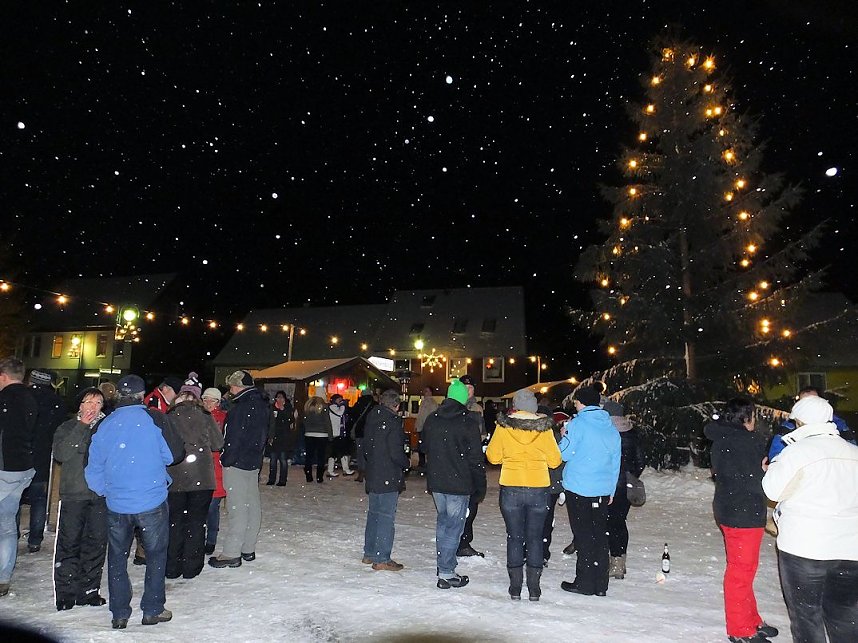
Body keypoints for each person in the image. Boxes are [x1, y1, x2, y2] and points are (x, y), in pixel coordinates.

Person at [762, 395, 858, 643]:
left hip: (805, 549)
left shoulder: (796, 452)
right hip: (850, 549)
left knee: (807, 617)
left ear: (800, 422)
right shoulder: (853, 452)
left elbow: (773, 490)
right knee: (844, 617)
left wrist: (774, 466)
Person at [84, 374, 175, 629]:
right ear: (141, 395)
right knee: (156, 555)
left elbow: (93, 467)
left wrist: (107, 490)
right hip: (151, 500)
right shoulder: (153, 419)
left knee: (117, 557)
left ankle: (120, 613)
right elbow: (170, 455)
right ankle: (153, 609)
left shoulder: (105, 424)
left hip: (118, 503)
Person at [704, 398, 778, 643]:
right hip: (742, 513)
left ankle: (751, 619)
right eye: (753, 416)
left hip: (730, 509)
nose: (755, 421)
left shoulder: (722, 437)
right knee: (741, 572)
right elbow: (753, 480)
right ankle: (739, 629)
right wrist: (766, 472)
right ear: (746, 418)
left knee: (745, 569)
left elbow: (729, 473)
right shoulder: (747, 441)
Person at [486, 389, 561, 601]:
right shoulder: (544, 429)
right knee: (535, 538)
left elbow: (492, 457)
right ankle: (534, 588)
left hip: (511, 487)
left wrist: (509, 456)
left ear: (516, 406)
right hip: (538, 488)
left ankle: (515, 587)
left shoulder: (504, 426)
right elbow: (555, 461)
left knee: (515, 537)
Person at [423, 379, 486, 590]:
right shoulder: (468, 422)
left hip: (438, 482)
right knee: (453, 528)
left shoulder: (433, 419)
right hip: (458, 483)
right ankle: (447, 572)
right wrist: (479, 485)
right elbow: (476, 458)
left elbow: (424, 447)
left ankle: (444, 564)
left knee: (444, 524)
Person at [558, 386, 620, 597]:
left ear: (582, 402)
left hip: (580, 487)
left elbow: (563, 454)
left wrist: (564, 435)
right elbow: (615, 462)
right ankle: (601, 583)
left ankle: (584, 582)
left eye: (576, 401)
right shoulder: (610, 427)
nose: (574, 404)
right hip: (602, 489)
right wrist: (611, 489)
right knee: (600, 535)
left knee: (583, 535)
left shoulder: (577, 424)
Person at [52, 387, 108, 610]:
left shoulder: (107, 428)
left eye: (98, 403)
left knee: (95, 545)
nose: (93, 407)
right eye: (89, 402)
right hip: (74, 495)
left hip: (99, 495)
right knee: (69, 544)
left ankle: (89, 591)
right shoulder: (67, 427)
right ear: (80, 405)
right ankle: (65, 594)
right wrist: (82, 426)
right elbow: (62, 454)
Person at [209, 370, 268, 569]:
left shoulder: (240, 408)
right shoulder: (261, 404)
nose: (230, 391)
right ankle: (247, 547)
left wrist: (226, 459)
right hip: (253, 462)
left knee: (237, 508)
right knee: (252, 505)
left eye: (231, 387)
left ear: (238, 386)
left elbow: (232, 438)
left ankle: (231, 553)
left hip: (237, 463)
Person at [166, 391, 223, 579]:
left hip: (176, 478)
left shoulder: (169, 417)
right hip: (202, 478)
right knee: (197, 522)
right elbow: (217, 443)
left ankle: (173, 565)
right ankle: (192, 567)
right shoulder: (205, 416)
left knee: (175, 522)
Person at [0, 357, 38, 598]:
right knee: (6, 525)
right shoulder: (30, 398)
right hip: (22, 468)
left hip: (3, 468)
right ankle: (3, 575)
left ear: (3, 376)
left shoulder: (4, 399)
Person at [361, 389, 410, 571]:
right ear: (396, 406)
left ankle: (370, 552)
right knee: (386, 516)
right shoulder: (393, 422)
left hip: (374, 472)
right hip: (388, 473)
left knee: (374, 513)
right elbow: (396, 452)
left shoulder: (372, 418)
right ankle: (381, 557)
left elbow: (366, 447)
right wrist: (405, 463)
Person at [22, 369, 66, 553]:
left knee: (15, 497)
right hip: (42, 456)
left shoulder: (23, 397)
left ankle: (11, 533)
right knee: (39, 499)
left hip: (20, 455)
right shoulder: (55, 402)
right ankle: (35, 538)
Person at [607, 405, 646, 580]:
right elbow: (641, 460)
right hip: (625, 485)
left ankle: (614, 561)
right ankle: (620, 560)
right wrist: (631, 475)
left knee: (608, 522)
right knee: (619, 522)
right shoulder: (632, 432)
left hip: (608, 484)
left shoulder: (606, 432)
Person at [768, 386, 855, 461]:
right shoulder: (787, 428)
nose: (809, 406)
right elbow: (777, 456)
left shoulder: (839, 426)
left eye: (813, 401)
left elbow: (850, 452)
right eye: (804, 403)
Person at [457, 374, 486, 558]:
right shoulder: (453, 407)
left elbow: (481, 433)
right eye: (465, 387)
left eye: (471, 387)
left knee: (471, 505)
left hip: (471, 461)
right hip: (457, 461)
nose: (468, 391)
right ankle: (457, 541)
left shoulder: (477, 409)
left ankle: (465, 541)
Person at [201, 388, 227, 555]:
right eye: (205, 400)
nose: (208, 403)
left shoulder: (223, 418)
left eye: (212, 400)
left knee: (211, 507)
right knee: (200, 507)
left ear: (218, 402)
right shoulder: (198, 416)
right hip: (200, 468)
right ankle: (198, 538)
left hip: (216, 467)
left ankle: (211, 539)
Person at [267, 391, 296, 485]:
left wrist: (283, 410)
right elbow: (270, 422)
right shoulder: (272, 408)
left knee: (283, 459)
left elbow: (290, 420)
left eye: (281, 398)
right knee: (273, 459)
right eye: (278, 397)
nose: (279, 399)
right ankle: (271, 479)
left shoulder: (288, 408)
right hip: (274, 436)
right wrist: (270, 436)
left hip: (284, 437)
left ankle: (282, 480)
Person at [350, 389, 377, 483]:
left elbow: (352, 415)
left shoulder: (358, 404)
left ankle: (361, 472)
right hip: (371, 432)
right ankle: (370, 472)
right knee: (371, 452)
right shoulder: (374, 405)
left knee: (360, 452)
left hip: (359, 432)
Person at [302, 396, 331, 483]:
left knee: (309, 456)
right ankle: (319, 476)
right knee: (321, 457)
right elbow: (327, 421)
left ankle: (308, 474)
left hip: (309, 433)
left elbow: (304, 421)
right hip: (322, 434)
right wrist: (330, 435)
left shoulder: (307, 407)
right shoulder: (324, 407)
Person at [326, 394, 354, 477]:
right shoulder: (332, 407)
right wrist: (343, 405)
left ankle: (334, 470)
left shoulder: (337, 407)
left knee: (338, 451)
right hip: (336, 433)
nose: (341, 401)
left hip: (339, 433)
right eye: (339, 400)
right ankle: (344, 469)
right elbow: (340, 413)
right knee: (339, 451)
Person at [413, 387, 439, 472]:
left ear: (431, 392)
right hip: (425, 428)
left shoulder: (430, 403)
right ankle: (424, 464)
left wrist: (419, 425)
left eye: (427, 391)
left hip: (425, 428)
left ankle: (424, 464)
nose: (425, 393)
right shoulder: (426, 402)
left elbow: (423, 416)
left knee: (423, 447)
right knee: (423, 446)